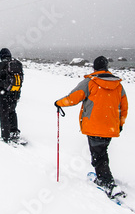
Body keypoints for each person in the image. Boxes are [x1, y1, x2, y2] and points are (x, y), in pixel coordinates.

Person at [54, 56, 128, 198]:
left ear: (94, 68)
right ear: (107, 68)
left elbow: (73, 98)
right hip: (111, 127)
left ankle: (107, 183)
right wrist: (120, 124)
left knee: (98, 155)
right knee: (102, 152)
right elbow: (124, 107)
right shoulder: (118, 85)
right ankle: (104, 175)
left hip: (94, 126)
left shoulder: (90, 82)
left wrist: (59, 103)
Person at [0, 48, 23, 143]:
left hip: (3, 94)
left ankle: (6, 136)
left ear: (1, 56)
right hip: (15, 93)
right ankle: (14, 131)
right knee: (12, 112)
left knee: (4, 115)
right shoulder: (17, 64)